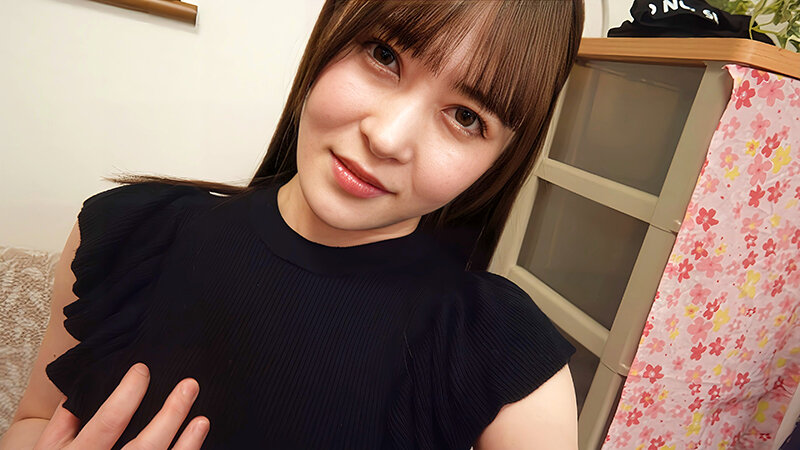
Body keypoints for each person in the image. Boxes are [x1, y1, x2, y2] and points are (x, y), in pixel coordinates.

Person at [2, 0, 585, 448]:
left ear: (501, 160)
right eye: (384, 55)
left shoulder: (511, 365)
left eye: (466, 116)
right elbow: (33, 421)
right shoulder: (125, 233)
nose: (387, 138)